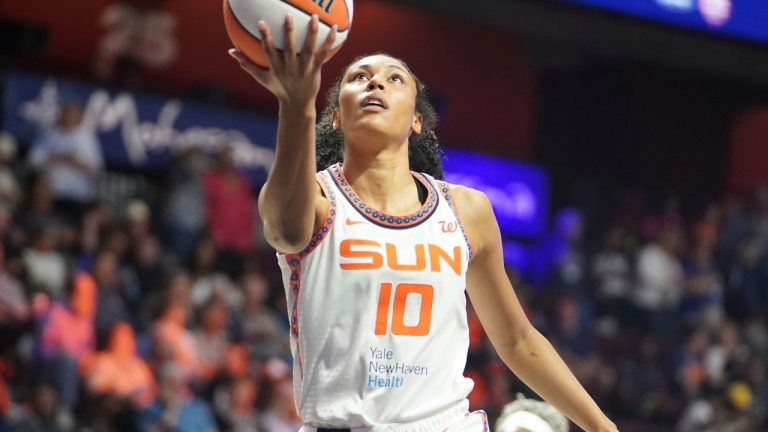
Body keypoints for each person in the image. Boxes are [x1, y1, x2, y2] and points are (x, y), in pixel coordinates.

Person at [228, 14, 618, 432]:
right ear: (337, 116)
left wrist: (601, 426)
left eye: (394, 79)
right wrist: (296, 103)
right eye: (359, 77)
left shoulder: (467, 211)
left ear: (416, 120)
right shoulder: (318, 200)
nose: (375, 83)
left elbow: (517, 340)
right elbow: (285, 231)